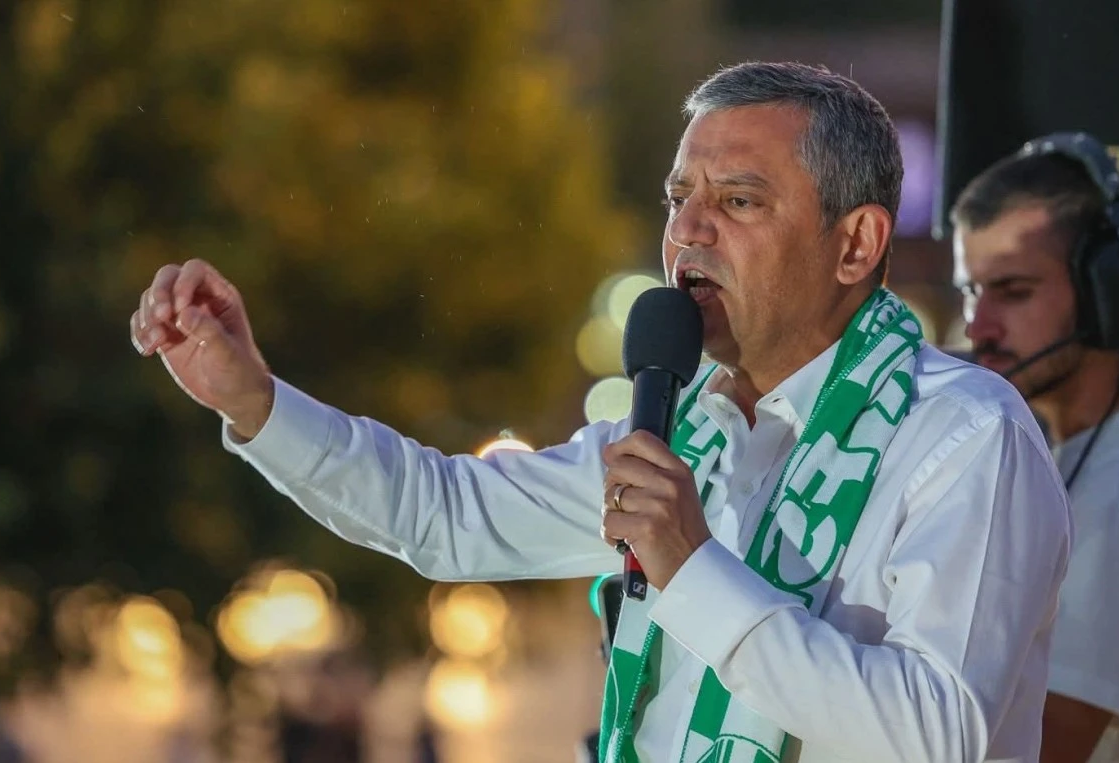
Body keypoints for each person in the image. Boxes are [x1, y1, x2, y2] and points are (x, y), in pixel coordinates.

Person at [131, 62, 1070, 763]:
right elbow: (443, 515)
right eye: (679, 198)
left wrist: (692, 568)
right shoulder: (677, 432)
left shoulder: (962, 435)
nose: (688, 230)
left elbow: (939, 735)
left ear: (857, 243)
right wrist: (255, 400)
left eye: (739, 200)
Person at [952, 132, 1119, 763]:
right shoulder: (1085, 461)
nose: (978, 326)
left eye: (1014, 291)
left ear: (1111, 296)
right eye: (972, 291)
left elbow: (1040, 750)